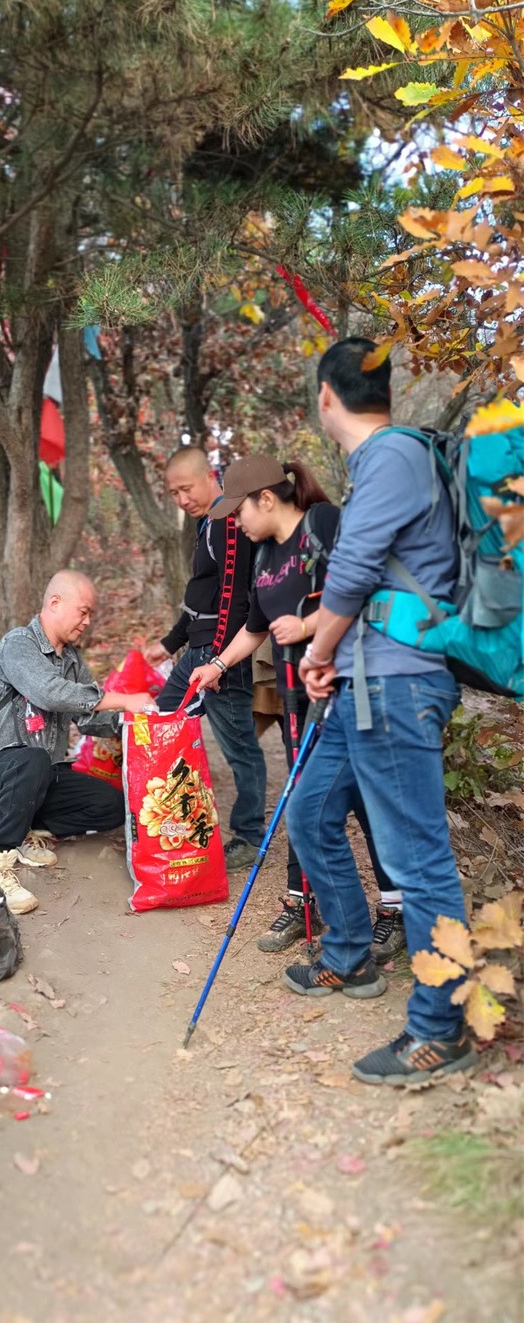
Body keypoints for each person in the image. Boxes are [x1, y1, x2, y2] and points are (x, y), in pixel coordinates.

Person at [285, 337, 476, 1086]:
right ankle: (350, 953)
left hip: (395, 685)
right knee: (310, 814)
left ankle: (441, 1025)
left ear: (327, 397)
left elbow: (354, 571)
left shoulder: (394, 456)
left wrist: (314, 651)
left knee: (418, 860)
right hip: (364, 682)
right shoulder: (385, 462)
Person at [191, 453, 405, 959]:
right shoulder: (263, 556)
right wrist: (217, 666)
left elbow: (366, 587)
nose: (236, 524)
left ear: (266, 498)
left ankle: (394, 912)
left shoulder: (323, 524)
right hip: (298, 700)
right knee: (303, 799)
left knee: (365, 800)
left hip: (352, 689)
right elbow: (257, 626)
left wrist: (309, 627)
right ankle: (304, 901)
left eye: (238, 512)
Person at [0, 570, 156, 915]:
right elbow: (50, 694)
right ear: (55, 603)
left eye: (90, 614)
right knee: (31, 759)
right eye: (83, 611)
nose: (87, 621)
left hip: (38, 777)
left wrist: (139, 722)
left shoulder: (71, 660)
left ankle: (25, 827)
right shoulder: (18, 643)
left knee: (110, 805)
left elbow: (89, 716)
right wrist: (123, 699)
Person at [145, 446, 267, 869]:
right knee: (162, 720)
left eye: (185, 488)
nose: (180, 499)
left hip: (219, 653)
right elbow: (202, 597)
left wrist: (219, 661)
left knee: (240, 747)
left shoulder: (228, 522)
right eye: (173, 493)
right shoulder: (208, 523)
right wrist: (168, 642)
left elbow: (235, 597)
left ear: (207, 476)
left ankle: (251, 836)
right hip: (200, 647)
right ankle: (166, 815)